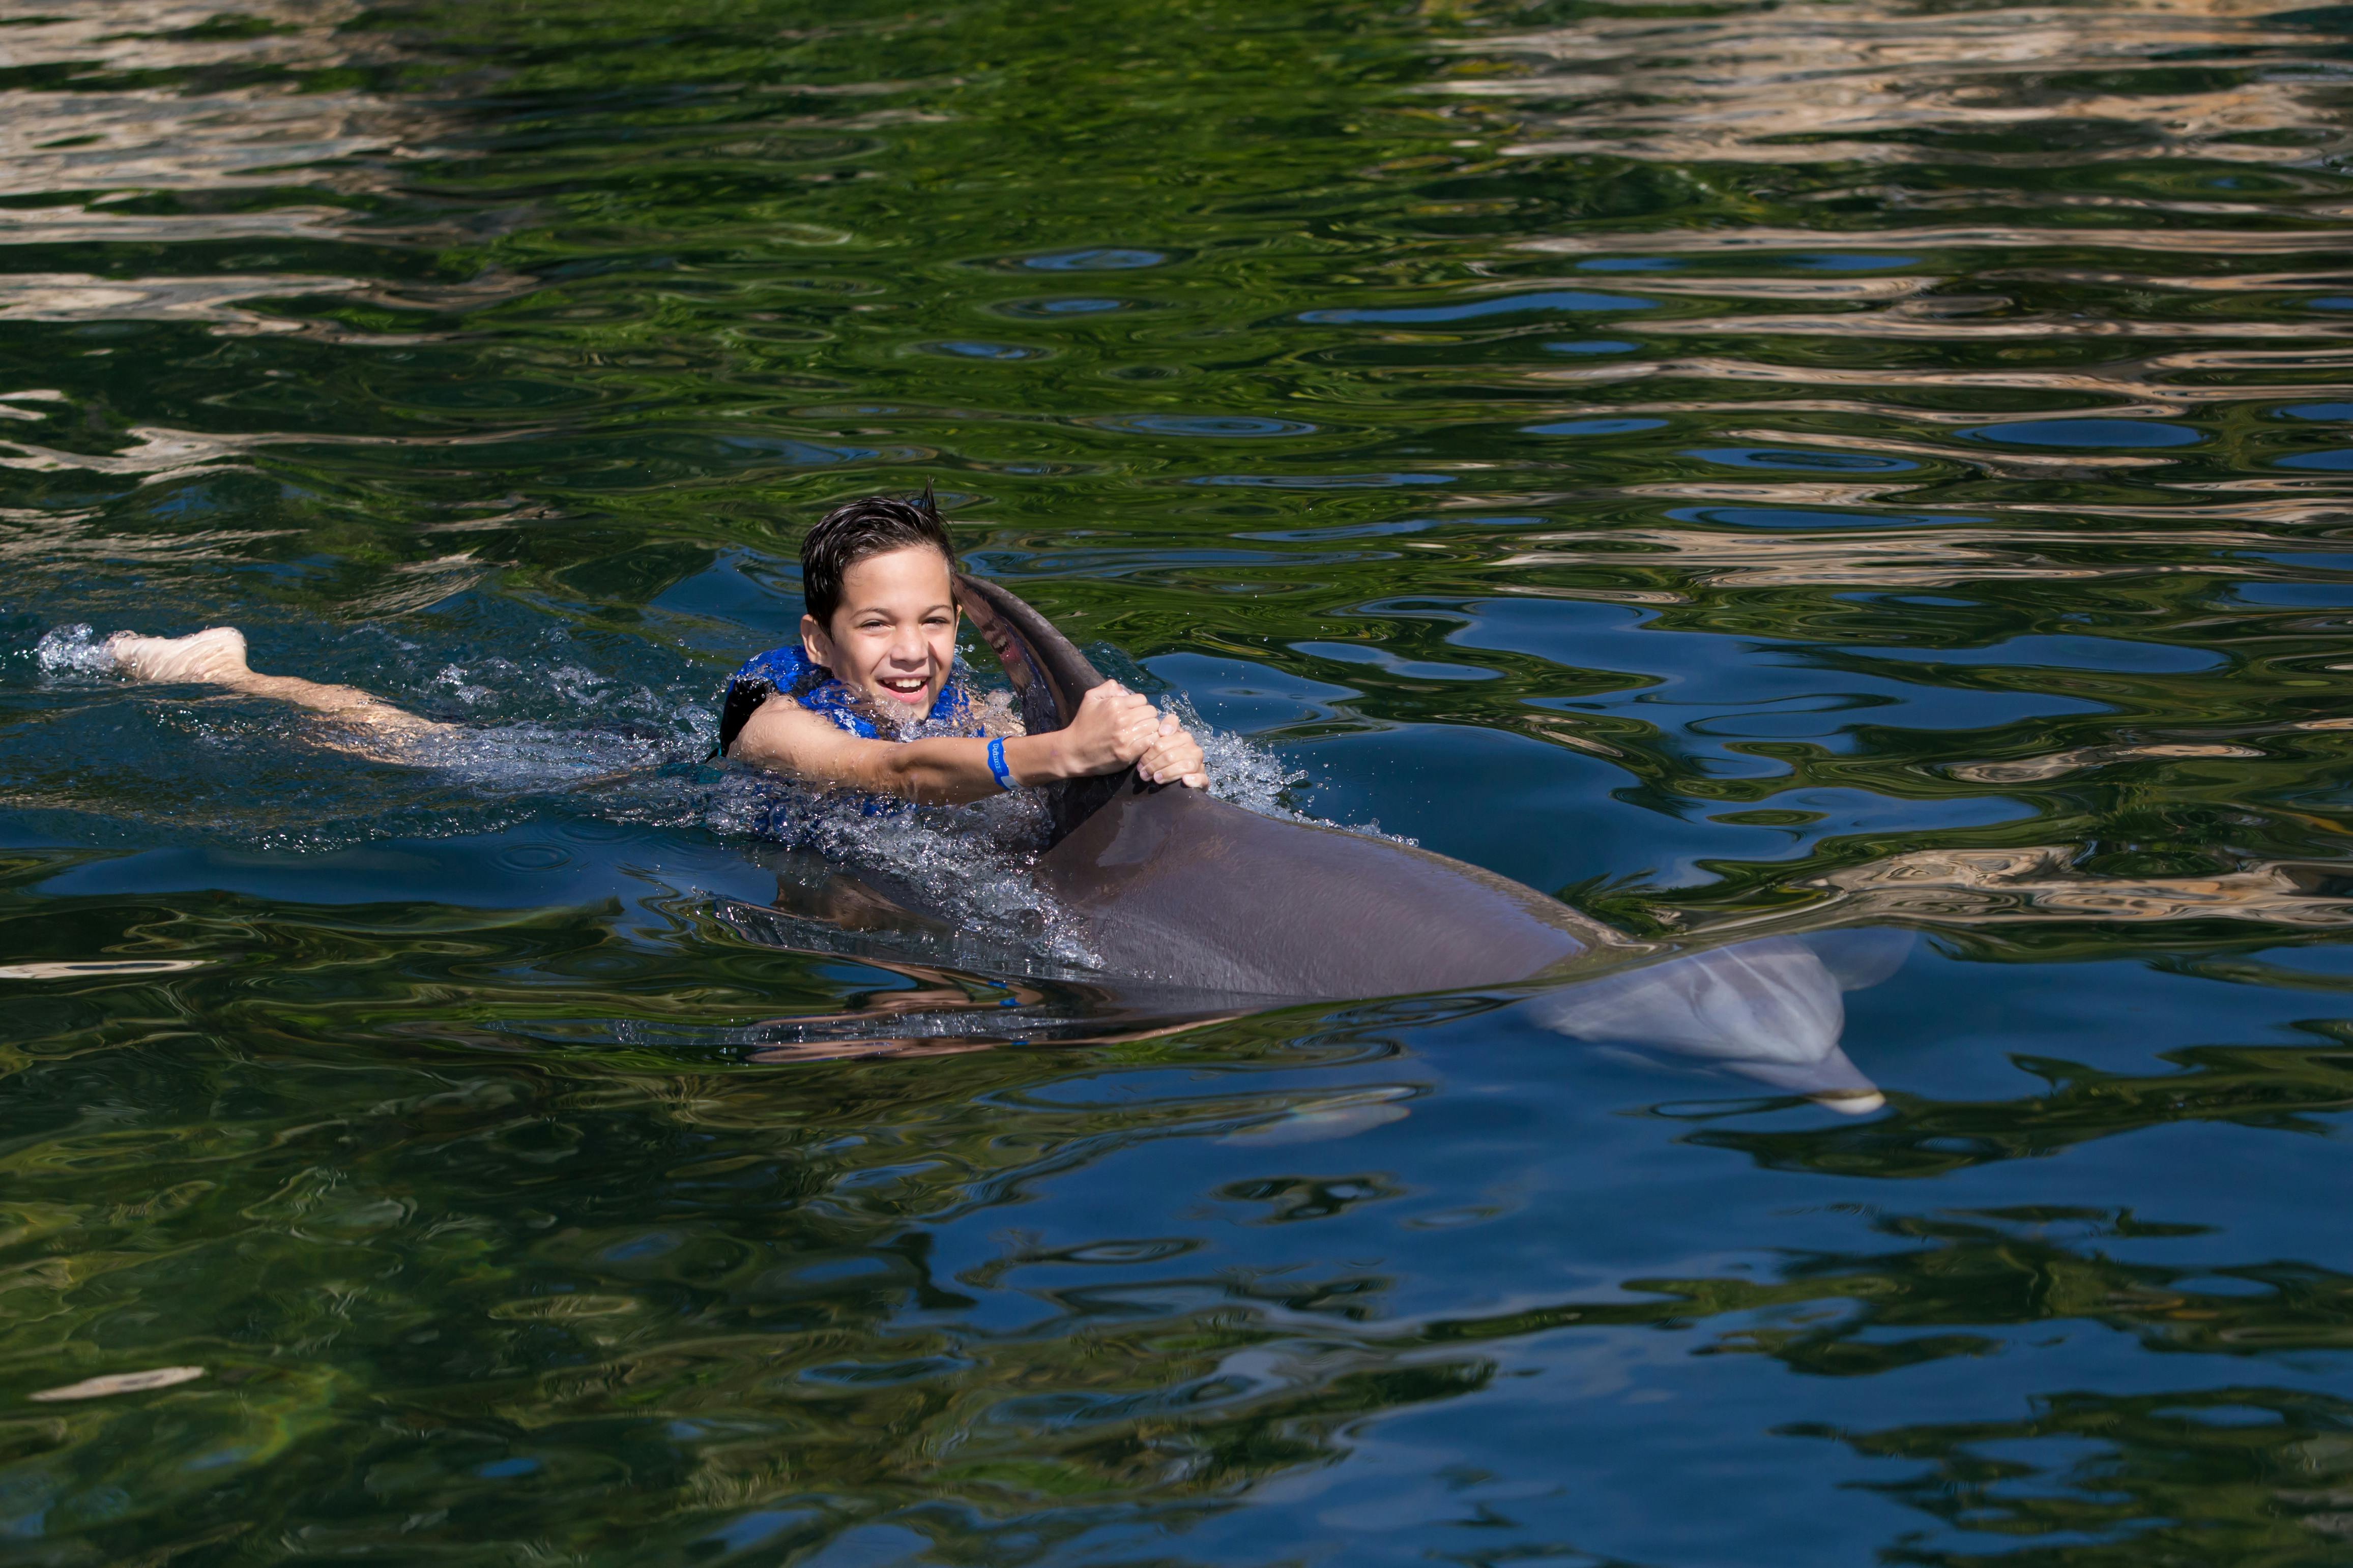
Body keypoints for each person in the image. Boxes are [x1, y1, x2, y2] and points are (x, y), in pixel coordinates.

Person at [102, 491, 1210, 804]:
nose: (913, 652)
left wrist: (1155, 748)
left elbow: (1024, 736)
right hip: (625, 773)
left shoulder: (973, 708)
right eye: (876, 625)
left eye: (933, 621)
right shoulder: (783, 727)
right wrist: (1059, 756)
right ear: (818, 642)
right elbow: (887, 770)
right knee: (421, 745)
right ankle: (234, 672)